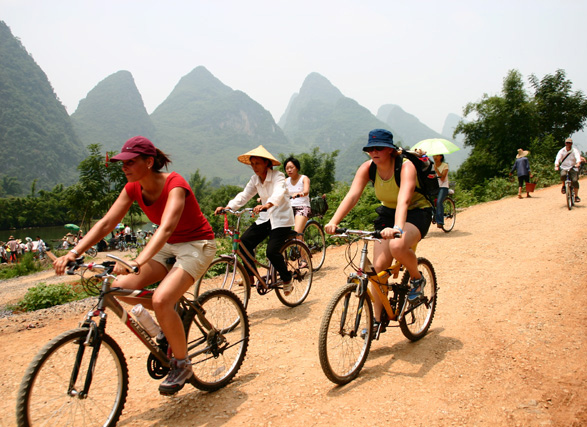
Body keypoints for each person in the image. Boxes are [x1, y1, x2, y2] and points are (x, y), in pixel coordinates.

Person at [53, 136, 216, 395]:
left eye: (130, 162)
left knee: (162, 300)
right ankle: (165, 325)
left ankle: (182, 364)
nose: (124, 167)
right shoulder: (132, 188)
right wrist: (74, 252)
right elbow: (107, 223)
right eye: (122, 162)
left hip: (196, 245)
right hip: (166, 246)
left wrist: (136, 262)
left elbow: (166, 228)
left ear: (149, 162)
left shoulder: (176, 184)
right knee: (118, 288)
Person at [324, 129, 433, 330]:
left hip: (417, 211)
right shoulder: (367, 168)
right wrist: (334, 222)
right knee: (377, 269)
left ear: (391, 150)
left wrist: (398, 228)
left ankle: (417, 279)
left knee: (398, 246)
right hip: (388, 214)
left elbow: (404, 199)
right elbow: (352, 196)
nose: (374, 152)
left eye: (379, 148)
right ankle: (376, 319)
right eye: (370, 148)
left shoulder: (406, 167)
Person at [214, 145, 295, 295]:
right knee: (244, 242)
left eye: (257, 163)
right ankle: (250, 276)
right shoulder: (255, 179)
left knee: (271, 252)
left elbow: (278, 192)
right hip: (265, 218)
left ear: (267, 163)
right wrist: (227, 207)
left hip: (281, 218)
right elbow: (244, 195)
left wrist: (268, 204)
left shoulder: (278, 176)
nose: (254, 167)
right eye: (252, 164)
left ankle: (287, 277)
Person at [284, 156, 311, 241]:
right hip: (288, 208)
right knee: (281, 233)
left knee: (297, 233)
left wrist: (300, 194)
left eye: (291, 167)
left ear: (297, 168)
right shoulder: (285, 181)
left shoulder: (304, 178)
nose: (289, 170)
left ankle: (304, 254)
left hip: (302, 207)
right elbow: (278, 193)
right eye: (287, 168)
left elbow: (306, 191)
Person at [554, 138, 581, 203]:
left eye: (569, 143)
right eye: (567, 143)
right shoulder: (562, 151)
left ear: (571, 144)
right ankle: (563, 186)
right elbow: (557, 158)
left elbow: (578, 158)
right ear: (565, 143)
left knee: (574, 181)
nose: (568, 144)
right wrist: (556, 166)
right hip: (564, 167)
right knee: (563, 175)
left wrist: (578, 164)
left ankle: (576, 196)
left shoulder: (575, 151)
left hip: (573, 167)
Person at [432, 154, 449, 227]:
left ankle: (440, 221)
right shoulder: (432, 166)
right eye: (434, 156)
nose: (434, 157)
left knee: (439, 202)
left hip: (443, 187)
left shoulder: (445, 165)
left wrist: (436, 170)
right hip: (435, 186)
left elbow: (442, 178)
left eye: (436, 156)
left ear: (441, 157)